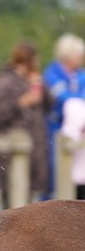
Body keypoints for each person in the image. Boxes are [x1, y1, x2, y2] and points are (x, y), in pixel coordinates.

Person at [0, 42, 50, 207]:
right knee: (12, 202)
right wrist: (21, 102)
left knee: (29, 200)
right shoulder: (6, 81)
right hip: (12, 152)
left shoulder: (31, 80)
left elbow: (50, 105)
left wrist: (40, 85)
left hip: (33, 151)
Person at [44, 34, 85, 194]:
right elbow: (62, 97)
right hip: (55, 128)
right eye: (78, 55)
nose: (81, 59)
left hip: (80, 132)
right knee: (56, 171)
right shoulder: (52, 74)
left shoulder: (80, 75)